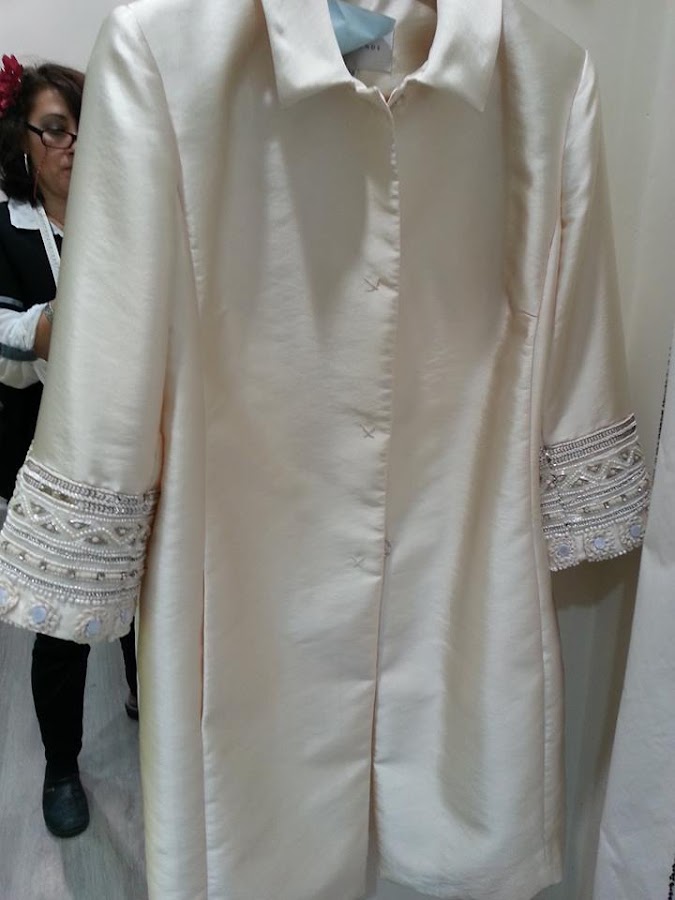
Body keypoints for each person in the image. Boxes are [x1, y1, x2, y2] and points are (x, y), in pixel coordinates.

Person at [0, 54, 138, 839]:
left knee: (147, 594)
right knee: (62, 619)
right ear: (24, 140)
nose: (73, 144)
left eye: (86, 128)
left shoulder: (130, 218)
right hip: (51, 448)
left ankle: (146, 701)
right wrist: (54, 326)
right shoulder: (7, 228)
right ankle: (60, 764)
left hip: (134, 437)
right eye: (54, 129)